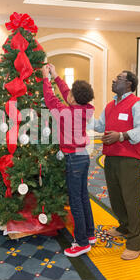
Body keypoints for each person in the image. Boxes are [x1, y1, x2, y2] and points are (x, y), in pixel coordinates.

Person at [92, 70, 140, 260]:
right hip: (110, 157)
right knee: (116, 197)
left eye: (118, 78)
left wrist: (122, 135)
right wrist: (80, 113)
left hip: (129, 158)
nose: (114, 80)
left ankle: (136, 242)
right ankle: (124, 226)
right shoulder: (109, 106)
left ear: (129, 84)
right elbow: (100, 126)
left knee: (130, 200)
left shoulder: (137, 103)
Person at [42, 63, 95, 258]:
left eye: (71, 93)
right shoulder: (86, 108)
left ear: (74, 98)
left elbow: (51, 100)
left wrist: (46, 79)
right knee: (83, 196)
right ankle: (89, 234)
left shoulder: (66, 113)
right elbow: (66, 95)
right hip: (84, 157)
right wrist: (56, 76)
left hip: (73, 159)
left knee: (76, 201)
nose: (68, 94)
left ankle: (81, 243)